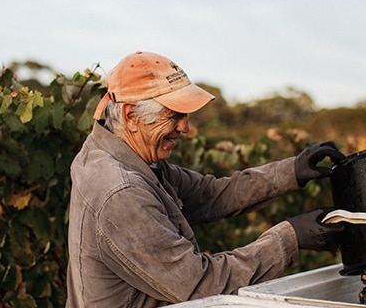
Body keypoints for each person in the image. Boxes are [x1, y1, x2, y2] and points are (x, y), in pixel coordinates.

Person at [66, 51, 345, 307]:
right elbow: (199, 285)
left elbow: (212, 194)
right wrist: (289, 238)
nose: (185, 127)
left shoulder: (127, 156)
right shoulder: (121, 190)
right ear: (131, 116)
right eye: (174, 115)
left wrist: (291, 171)